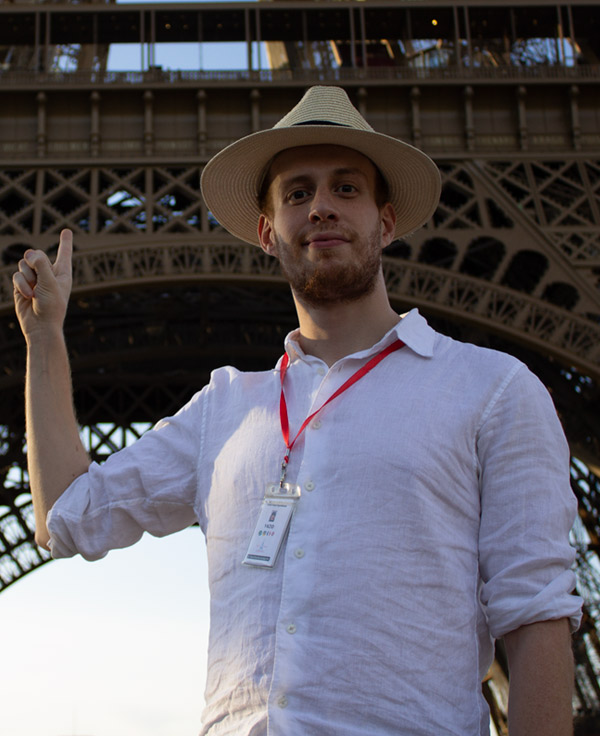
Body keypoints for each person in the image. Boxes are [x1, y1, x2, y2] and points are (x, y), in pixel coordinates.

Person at [13, 86, 581, 736]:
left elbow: (535, 611)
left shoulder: (494, 389)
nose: (321, 208)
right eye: (297, 193)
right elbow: (64, 517)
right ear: (266, 231)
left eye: (346, 189)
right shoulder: (223, 408)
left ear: (386, 221)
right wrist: (46, 337)